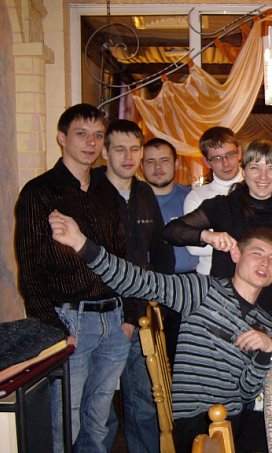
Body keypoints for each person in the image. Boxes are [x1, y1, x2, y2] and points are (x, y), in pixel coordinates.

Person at [48, 212, 272, 453]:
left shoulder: (265, 324)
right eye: (257, 253)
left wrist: (266, 350)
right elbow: (138, 281)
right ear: (236, 255)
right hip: (197, 421)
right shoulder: (201, 290)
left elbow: (248, 391)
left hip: (234, 418)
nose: (265, 263)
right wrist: (82, 245)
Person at [14, 103, 130, 452]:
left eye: (98, 135)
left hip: (113, 317)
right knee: (64, 420)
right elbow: (30, 268)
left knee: (100, 419)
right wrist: (54, 330)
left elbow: (123, 256)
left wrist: (129, 315)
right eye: (82, 134)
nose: (91, 143)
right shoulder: (39, 192)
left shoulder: (106, 190)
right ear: (62, 138)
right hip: (70, 319)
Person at [164, 139, 272, 354]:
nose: (263, 177)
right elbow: (171, 231)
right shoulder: (222, 206)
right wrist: (207, 236)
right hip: (225, 310)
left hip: (269, 312)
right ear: (244, 171)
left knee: (271, 372)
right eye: (255, 168)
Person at [101, 119, 175, 453]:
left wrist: (159, 297)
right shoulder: (92, 191)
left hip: (142, 311)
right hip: (104, 314)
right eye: (120, 149)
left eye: (134, 149)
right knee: (100, 405)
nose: (128, 157)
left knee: (145, 401)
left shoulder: (143, 192)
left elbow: (160, 249)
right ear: (105, 152)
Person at [183, 127, 243, 274]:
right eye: (217, 158)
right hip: (211, 278)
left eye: (230, 154)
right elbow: (194, 247)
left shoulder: (259, 187)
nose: (226, 163)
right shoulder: (196, 197)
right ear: (206, 162)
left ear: (239, 152)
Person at [142, 137, 198, 273]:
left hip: (191, 278)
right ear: (141, 166)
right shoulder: (132, 203)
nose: (158, 167)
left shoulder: (193, 198)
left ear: (176, 163)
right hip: (148, 279)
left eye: (164, 160)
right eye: (150, 161)